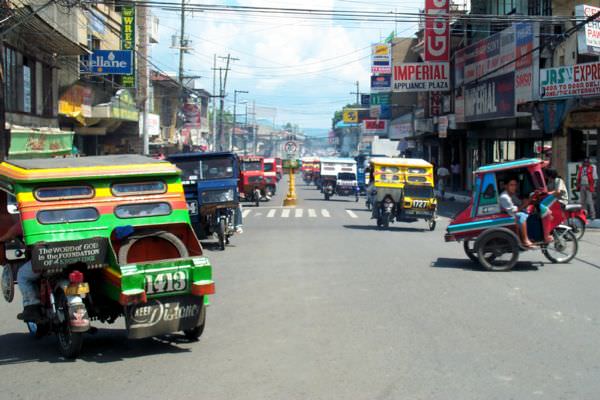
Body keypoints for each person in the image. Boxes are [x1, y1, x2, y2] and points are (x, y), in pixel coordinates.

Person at [0, 218, 41, 322]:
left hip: (44, 259)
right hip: (74, 256)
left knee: (22, 275)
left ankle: (32, 307)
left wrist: (2, 239)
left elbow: (11, 233)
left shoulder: (31, 218)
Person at [499, 179, 536, 248]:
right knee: (521, 215)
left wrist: (528, 200)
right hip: (506, 216)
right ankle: (525, 240)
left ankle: (529, 236)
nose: (514, 187)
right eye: (511, 185)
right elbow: (514, 211)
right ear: (506, 186)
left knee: (527, 213)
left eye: (515, 185)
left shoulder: (511, 194)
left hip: (510, 213)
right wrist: (525, 204)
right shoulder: (504, 197)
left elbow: (519, 203)